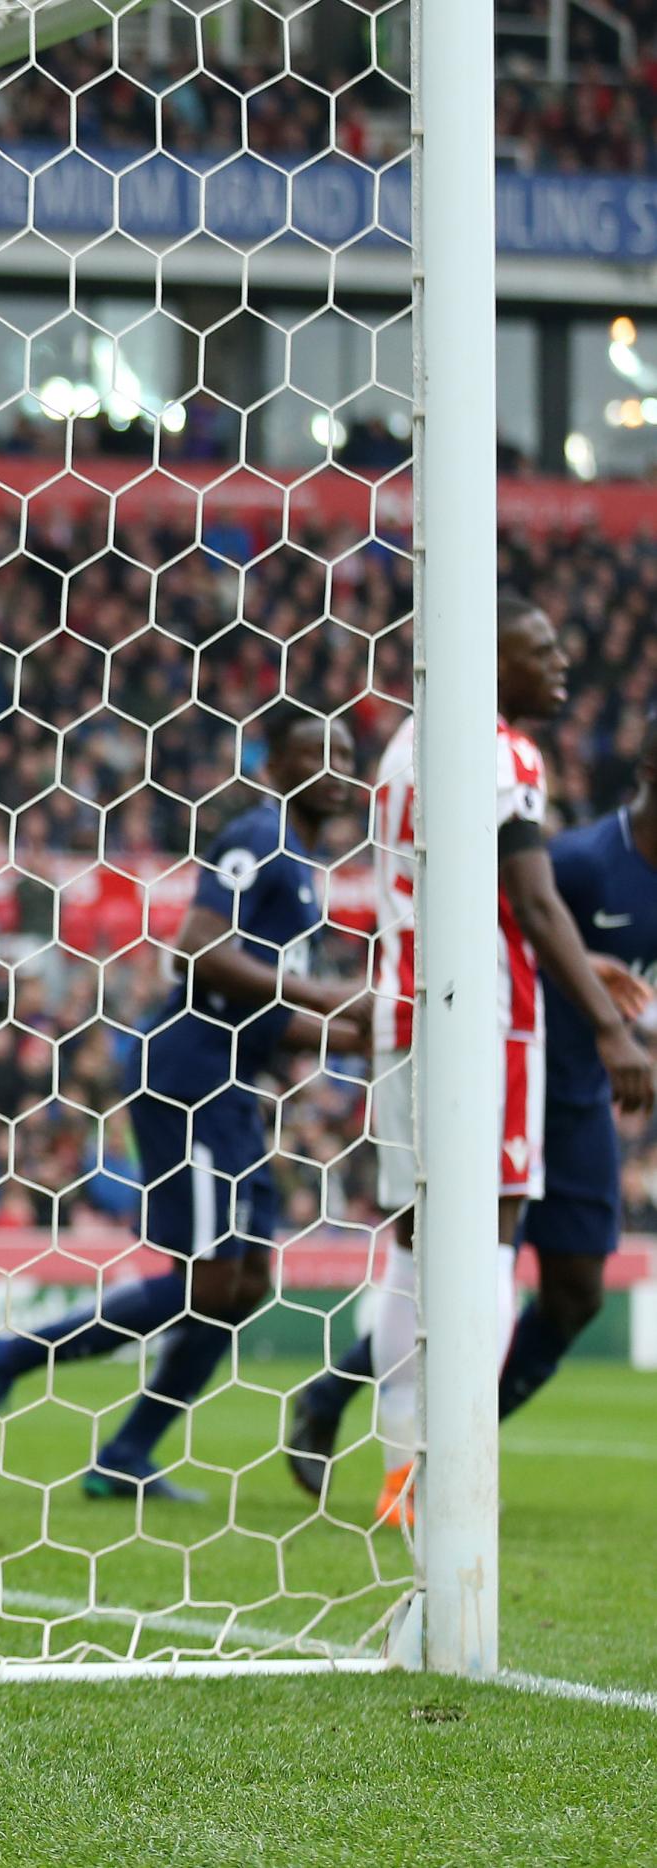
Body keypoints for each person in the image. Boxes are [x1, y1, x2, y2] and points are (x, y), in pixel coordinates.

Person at [286, 619, 654, 1521]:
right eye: (541, 649)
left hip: (406, 1011)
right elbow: (531, 894)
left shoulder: (407, 745)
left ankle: (403, 1466)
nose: (562, 661)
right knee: (488, 1237)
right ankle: (447, 1468)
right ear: (485, 656)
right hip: (486, 1024)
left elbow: (494, 893)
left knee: (417, 1242)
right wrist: (611, 1029)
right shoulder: (503, 754)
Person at [0, 708, 367, 1501]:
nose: (341, 768)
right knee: (213, 1283)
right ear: (276, 763)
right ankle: (6, 1356)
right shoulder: (260, 835)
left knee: (246, 1283)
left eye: (349, 754)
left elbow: (271, 1010)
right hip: (190, 1075)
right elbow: (200, 948)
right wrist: (332, 997)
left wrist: (359, 1028)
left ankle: (123, 1454)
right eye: (322, 753)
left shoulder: (307, 868)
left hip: (231, 1083)